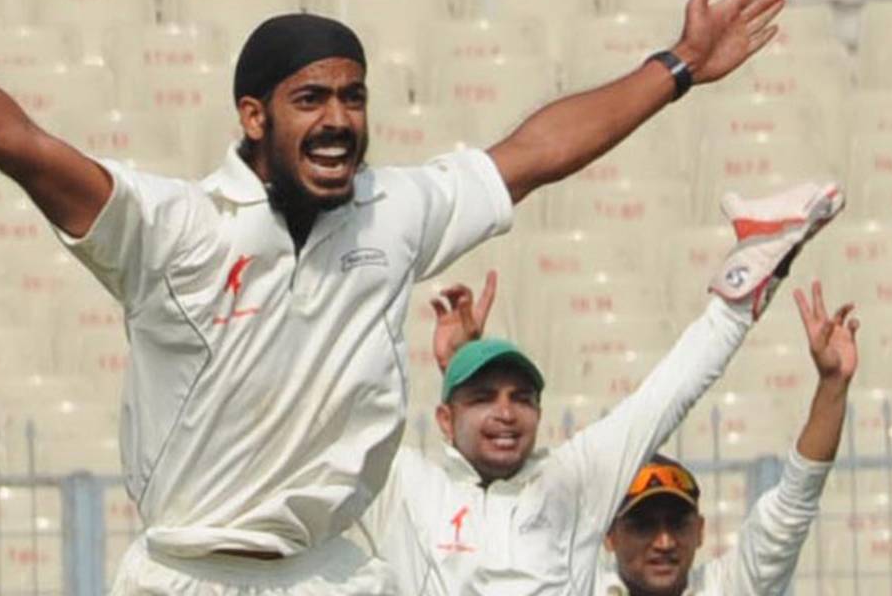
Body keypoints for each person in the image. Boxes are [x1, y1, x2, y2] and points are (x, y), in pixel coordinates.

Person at [0, 0, 786, 593]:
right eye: (311, 98)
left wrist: (677, 67)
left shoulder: (393, 211)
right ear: (252, 114)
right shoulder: (172, 229)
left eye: (352, 95)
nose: (339, 117)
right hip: (185, 572)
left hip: (328, 572)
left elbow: (532, 153)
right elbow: (22, 144)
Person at [361, 183, 845, 595]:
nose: (507, 413)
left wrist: (750, 276)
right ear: (445, 420)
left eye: (522, 398)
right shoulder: (405, 484)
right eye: (484, 397)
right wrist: (458, 368)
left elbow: (670, 391)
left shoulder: (573, 481)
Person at [596, 281, 859, 596]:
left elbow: (794, 502)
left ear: (700, 531)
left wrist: (832, 385)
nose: (664, 542)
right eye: (644, 525)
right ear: (609, 536)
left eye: (678, 524)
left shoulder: (726, 587)